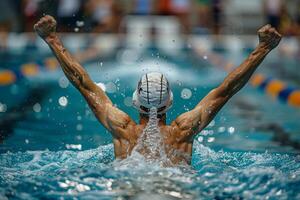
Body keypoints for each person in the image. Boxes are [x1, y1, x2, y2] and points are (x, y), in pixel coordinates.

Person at [34, 15, 282, 165]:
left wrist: (52, 39)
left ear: (135, 101)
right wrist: (262, 49)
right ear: (170, 103)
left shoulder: (121, 126)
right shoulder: (184, 129)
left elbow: (81, 80)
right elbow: (227, 88)